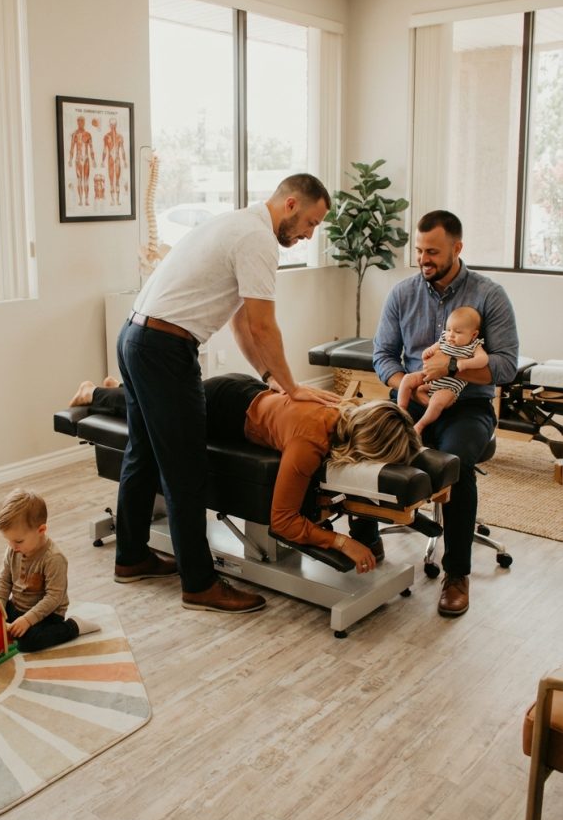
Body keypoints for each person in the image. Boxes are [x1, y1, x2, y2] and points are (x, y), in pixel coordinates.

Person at [114, 173, 339, 615]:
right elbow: (262, 325)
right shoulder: (258, 240)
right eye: (311, 223)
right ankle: (199, 584)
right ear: (291, 204)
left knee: (141, 453)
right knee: (187, 470)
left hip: (136, 337)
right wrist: (293, 388)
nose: (311, 234)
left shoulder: (232, 224)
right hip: (164, 349)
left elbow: (239, 321)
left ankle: (131, 556)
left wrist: (266, 377)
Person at [68, 373, 422, 575]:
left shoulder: (345, 409)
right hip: (222, 409)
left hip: (246, 390)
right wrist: (342, 540)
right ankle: (95, 393)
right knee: (151, 417)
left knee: (157, 407)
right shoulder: (308, 442)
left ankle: (116, 388)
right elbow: (282, 522)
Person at [373, 210, 519, 618]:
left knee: (455, 463)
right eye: (419, 250)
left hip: (467, 405)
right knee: (361, 443)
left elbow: (506, 365)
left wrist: (451, 368)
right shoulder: (402, 294)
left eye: (433, 251)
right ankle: (367, 543)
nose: (424, 259)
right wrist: (407, 381)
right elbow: (382, 354)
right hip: (412, 397)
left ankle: (456, 573)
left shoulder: (489, 295)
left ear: (457, 248)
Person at [0, 488, 101, 652]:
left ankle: (74, 626)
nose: (12, 546)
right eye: (8, 540)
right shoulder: (14, 549)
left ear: (41, 530)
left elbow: (54, 598)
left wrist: (28, 620)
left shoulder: (54, 558)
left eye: (18, 541)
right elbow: (3, 581)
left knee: (28, 643)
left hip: (48, 614)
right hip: (19, 607)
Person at [397, 305, 488, 435]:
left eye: (458, 332)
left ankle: (420, 425)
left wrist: (463, 363)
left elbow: (483, 360)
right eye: (449, 329)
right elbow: (432, 348)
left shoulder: (474, 346)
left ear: (473, 334)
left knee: (437, 400)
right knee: (407, 379)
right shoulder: (445, 338)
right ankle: (402, 410)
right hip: (429, 378)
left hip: (448, 387)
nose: (451, 335)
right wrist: (427, 352)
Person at [68, 115, 96, 207]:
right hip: (78, 159)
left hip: (87, 159)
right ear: (77, 122)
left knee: (86, 180)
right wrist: (70, 160)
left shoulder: (88, 134)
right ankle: (80, 200)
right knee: (79, 180)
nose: (80, 123)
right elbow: (72, 148)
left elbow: (91, 148)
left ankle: (86, 199)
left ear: (84, 122)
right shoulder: (74, 135)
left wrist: (93, 160)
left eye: (82, 121)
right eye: (79, 121)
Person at [102, 117, 128, 206]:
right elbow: (105, 150)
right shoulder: (106, 136)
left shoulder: (120, 137)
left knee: (117, 180)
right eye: (111, 124)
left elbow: (123, 150)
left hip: (117, 159)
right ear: (109, 125)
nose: (113, 126)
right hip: (110, 160)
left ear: (116, 125)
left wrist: (124, 161)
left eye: (114, 124)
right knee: (111, 180)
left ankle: (117, 200)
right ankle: (112, 200)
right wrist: (102, 161)